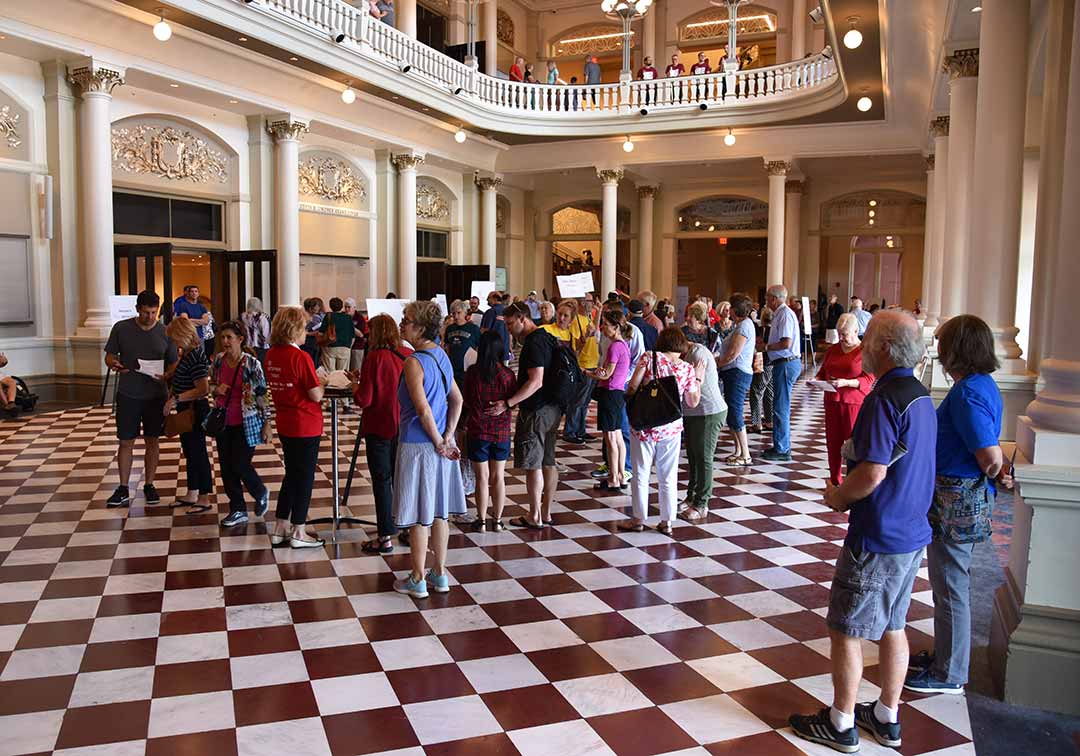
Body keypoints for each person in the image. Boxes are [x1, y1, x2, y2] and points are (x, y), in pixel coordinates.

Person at [788, 310, 935, 754]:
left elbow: (871, 473)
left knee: (846, 627)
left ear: (884, 348)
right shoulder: (921, 395)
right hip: (911, 531)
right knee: (893, 623)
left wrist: (838, 497)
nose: (862, 344)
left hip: (878, 531)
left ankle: (842, 722)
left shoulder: (884, 399)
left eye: (868, 338)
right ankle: (887, 717)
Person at [906, 314, 1010, 696]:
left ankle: (949, 672)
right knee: (949, 582)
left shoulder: (967, 393)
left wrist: (998, 470)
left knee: (949, 584)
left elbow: (989, 456)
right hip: (957, 494)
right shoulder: (981, 385)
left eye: (945, 344)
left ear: (958, 349)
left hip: (956, 498)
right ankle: (946, 657)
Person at [392, 301, 466, 598]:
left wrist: (438, 442)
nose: (402, 324)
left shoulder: (413, 361)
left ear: (420, 328)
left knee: (419, 516)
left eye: (406, 320)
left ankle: (418, 578)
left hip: (419, 445)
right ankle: (440, 574)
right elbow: (457, 400)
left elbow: (423, 411)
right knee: (439, 514)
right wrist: (448, 436)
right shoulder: (442, 356)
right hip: (442, 445)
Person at [487, 302, 561, 529]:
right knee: (548, 461)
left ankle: (535, 515)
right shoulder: (546, 336)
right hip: (553, 407)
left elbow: (536, 381)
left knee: (533, 463)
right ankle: (545, 512)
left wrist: (509, 403)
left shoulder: (534, 342)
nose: (508, 329)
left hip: (538, 410)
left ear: (522, 318)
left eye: (510, 324)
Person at [103, 290, 178, 507]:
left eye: (154, 313)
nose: (150, 317)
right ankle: (123, 487)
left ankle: (149, 484)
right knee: (126, 441)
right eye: (146, 313)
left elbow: (173, 362)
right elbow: (109, 355)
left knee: (152, 440)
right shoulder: (121, 329)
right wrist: (114, 364)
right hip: (129, 394)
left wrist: (167, 375)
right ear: (137, 309)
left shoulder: (165, 332)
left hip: (156, 395)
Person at [623, 327, 700, 534]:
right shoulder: (687, 368)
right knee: (668, 474)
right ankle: (667, 522)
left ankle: (638, 519)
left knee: (640, 473)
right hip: (671, 427)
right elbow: (692, 402)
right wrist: (698, 379)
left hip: (645, 425)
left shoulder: (649, 357)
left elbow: (632, 387)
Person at [264, 306, 325, 548]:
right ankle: (299, 529)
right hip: (306, 422)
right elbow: (315, 395)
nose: (306, 332)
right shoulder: (301, 357)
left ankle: (281, 525)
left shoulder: (271, 355)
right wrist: (323, 382)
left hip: (285, 421)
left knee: (291, 473)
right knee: (305, 477)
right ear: (294, 329)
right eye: (303, 328)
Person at [352, 314, 412, 554]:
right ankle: (407, 529)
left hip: (379, 426)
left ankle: (385, 537)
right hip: (406, 426)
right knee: (403, 480)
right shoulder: (407, 354)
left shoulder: (374, 357)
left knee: (382, 481)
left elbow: (364, 399)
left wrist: (354, 386)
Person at [209, 320, 270, 527]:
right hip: (223, 420)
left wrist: (267, 422)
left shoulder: (252, 364)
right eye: (223, 337)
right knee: (226, 467)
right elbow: (212, 385)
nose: (225, 341)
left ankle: (259, 491)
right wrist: (216, 390)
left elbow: (262, 394)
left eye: (229, 337)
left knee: (240, 463)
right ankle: (237, 509)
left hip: (247, 420)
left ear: (240, 340)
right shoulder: (218, 361)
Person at [464, 330, 515, 532]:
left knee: (482, 478)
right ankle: (498, 520)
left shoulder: (472, 374)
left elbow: (466, 401)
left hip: (478, 430)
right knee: (498, 477)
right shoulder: (507, 375)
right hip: (501, 431)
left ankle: (482, 520)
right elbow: (512, 402)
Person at [815, 313, 874, 486]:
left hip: (853, 403)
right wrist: (817, 381)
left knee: (852, 444)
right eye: (839, 333)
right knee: (833, 443)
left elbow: (868, 380)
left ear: (856, 331)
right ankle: (835, 480)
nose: (841, 338)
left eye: (845, 334)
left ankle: (853, 482)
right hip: (832, 400)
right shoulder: (834, 349)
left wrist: (845, 382)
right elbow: (823, 371)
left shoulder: (864, 351)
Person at [164, 317, 212, 512]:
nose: (173, 343)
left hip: (195, 409)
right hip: (186, 409)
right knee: (190, 452)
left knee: (198, 453)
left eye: (174, 339)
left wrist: (176, 399)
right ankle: (192, 492)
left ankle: (204, 497)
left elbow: (203, 389)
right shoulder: (188, 354)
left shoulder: (196, 356)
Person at [681, 329, 727, 521]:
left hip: (709, 412)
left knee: (704, 457)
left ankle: (702, 503)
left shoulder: (698, 354)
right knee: (692, 455)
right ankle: (691, 496)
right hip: (693, 412)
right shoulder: (687, 355)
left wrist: (696, 376)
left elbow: (691, 387)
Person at [589, 310, 632, 491]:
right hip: (617, 393)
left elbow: (607, 374)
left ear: (616, 327)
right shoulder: (624, 345)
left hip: (610, 393)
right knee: (618, 437)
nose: (603, 327)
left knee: (611, 438)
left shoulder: (615, 347)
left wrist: (589, 373)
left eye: (606, 324)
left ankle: (613, 478)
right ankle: (621, 475)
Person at [715, 294, 756, 467]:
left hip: (738, 373)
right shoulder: (740, 325)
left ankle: (745, 454)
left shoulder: (744, 327)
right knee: (732, 411)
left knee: (736, 411)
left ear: (735, 309)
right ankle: (738, 450)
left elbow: (733, 354)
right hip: (732, 372)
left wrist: (716, 363)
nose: (728, 310)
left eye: (730, 306)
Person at [762, 285, 801, 462]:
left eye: (768, 297)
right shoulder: (781, 314)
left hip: (786, 363)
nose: (766, 300)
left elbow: (786, 343)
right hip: (783, 363)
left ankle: (783, 448)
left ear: (775, 298)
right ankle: (780, 444)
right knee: (779, 405)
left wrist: (766, 347)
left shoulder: (784, 314)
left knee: (781, 406)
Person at [562, 299, 600, 444]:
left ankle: (580, 430)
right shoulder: (576, 320)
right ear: (582, 303)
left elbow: (595, 334)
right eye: (588, 300)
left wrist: (600, 311)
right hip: (583, 364)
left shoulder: (588, 317)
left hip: (593, 362)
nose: (591, 303)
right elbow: (576, 347)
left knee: (585, 402)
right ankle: (570, 431)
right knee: (577, 401)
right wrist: (585, 336)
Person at [444, 300, 481, 386]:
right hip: (453, 367)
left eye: (459, 313)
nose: (456, 316)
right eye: (453, 313)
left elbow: (479, 347)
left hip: (468, 368)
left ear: (465, 313)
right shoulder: (449, 329)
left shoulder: (474, 329)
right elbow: (447, 346)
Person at [319, 297, 354, 372]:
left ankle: (332, 384)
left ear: (330, 306)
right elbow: (353, 335)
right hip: (345, 347)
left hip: (330, 347)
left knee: (330, 372)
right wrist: (349, 347)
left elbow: (320, 332)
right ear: (342, 306)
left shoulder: (329, 316)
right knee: (343, 373)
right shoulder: (348, 318)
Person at [480, 291, 511, 362]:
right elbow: (510, 332)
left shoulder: (490, 312)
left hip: (493, 351)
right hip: (505, 350)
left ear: (495, 299)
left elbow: (484, 331)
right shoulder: (507, 312)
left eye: (488, 298)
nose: (486, 300)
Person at [241, 297, 271, 363]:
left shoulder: (242, 317)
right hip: (262, 348)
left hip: (247, 347)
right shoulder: (264, 317)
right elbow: (265, 334)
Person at [344, 298, 368, 372]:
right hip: (346, 347)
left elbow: (361, 334)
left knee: (356, 369)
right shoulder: (343, 316)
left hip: (357, 347)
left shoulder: (359, 318)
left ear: (354, 308)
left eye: (349, 307)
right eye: (345, 307)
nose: (347, 309)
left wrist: (350, 325)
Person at [301, 297, 324, 368]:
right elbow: (304, 331)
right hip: (308, 343)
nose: (318, 308)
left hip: (312, 343)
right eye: (316, 306)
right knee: (310, 363)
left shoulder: (317, 317)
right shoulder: (307, 317)